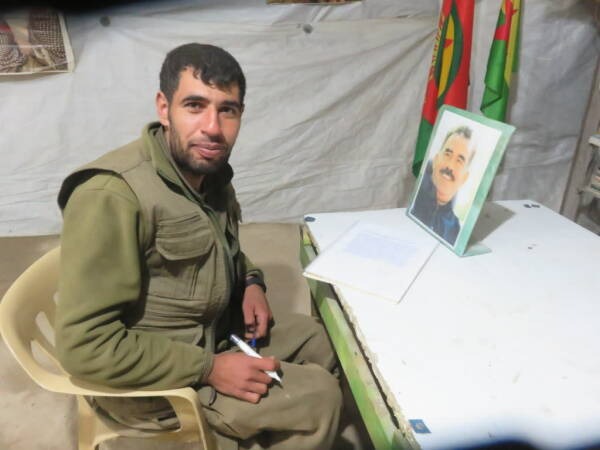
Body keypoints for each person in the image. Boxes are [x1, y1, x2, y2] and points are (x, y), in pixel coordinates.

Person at [55, 43, 342, 450]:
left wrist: (250, 282)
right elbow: (84, 347)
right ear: (164, 108)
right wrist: (208, 368)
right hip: (156, 380)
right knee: (319, 399)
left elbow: (217, 248)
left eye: (228, 110)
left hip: (212, 333)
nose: (213, 127)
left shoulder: (207, 172)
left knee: (322, 340)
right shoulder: (111, 195)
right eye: (195, 105)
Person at [410, 125, 475, 245]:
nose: (450, 166)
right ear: (435, 160)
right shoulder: (412, 204)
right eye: (447, 154)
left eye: (459, 160)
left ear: (464, 178)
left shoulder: (455, 231)